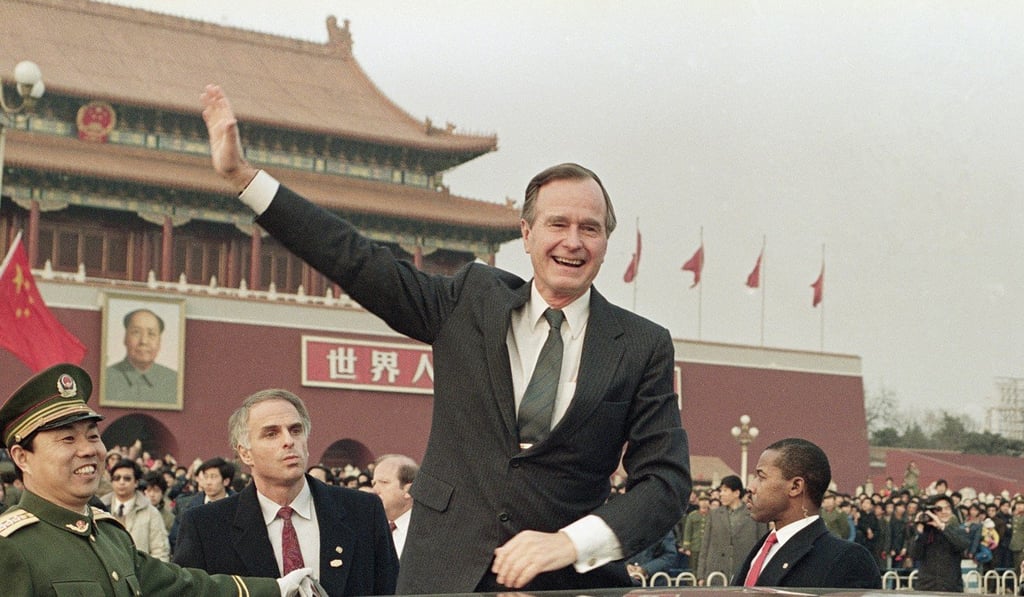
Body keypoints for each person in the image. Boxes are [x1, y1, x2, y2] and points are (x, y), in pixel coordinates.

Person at [200, 84, 692, 593]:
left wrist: (571, 542)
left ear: (606, 242)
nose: (572, 241)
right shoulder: (469, 301)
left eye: (589, 229)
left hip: (565, 580)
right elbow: (356, 258)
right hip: (442, 576)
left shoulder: (639, 346)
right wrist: (244, 179)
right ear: (525, 234)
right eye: (557, 224)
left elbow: (665, 484)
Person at [0, 363, 314, 596]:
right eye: (67, 439)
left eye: (93, 436)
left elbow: (184, 586)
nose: (88, 451)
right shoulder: (11, 548)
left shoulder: (109, 535)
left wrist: (275, 588)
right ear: (21, 456)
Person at [174, 389, 398, 595]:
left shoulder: (363, 512)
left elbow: (392, 590)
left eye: (295, 430)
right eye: (271, 434)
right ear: (245, 454)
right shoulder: (205, 527)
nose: (289, 441)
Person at [734, 438, 881, 588]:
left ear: (795, 486)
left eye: (761, 477)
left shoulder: (847, 560)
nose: (750, 487)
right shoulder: (763, 547)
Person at [697, 475, 765, 584]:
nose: (721, 494)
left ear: (736, 493)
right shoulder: (714, 515)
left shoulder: (753, 515)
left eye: (725, 490)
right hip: (715, 574)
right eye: (720, 491)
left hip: (743, 573)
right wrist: (701, 575)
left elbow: (762, 546)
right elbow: (705, 546)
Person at [104, 308, 178, 405]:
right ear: (125, 338)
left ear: (159, 342)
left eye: (151, 334)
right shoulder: (106, 378)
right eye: (136, 332)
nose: (143, 341)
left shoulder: (174, 381)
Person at [100, 459, 171, 561]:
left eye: (127, 478)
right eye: (117, 478)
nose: (121, 482)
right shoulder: (99, 509)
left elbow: (160, 551)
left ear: (136, 482)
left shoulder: (151, 512)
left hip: (140, 574)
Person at [169, 456, 235, 550]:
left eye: (213, 477)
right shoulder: (186, 506)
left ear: (226, 481)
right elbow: (175, 539)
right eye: (205, 476)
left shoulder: (240, 506)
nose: (208, 482)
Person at [908, 494, 970, 592]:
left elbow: (962, 545)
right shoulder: (926, 532)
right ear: (932, 512)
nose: (944, 512)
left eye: (947, 508)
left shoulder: (958, 530)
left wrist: (942, 527)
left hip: (950, 588)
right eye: (939, 509)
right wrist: (919, 531)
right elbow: (915, 554)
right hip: (926, 587)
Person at [371, 454, 418, 558]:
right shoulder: (369, 528)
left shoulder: (427, 530)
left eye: (384, 482)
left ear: (409, 490)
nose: (374, 490)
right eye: (373, 483)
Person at [680, 494, 709, 573]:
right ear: (698, 502)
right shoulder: (692, 515)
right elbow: (688, 531)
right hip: (695, 546)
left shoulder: (712, 515)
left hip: (708, 547)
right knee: (693, 568)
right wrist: (686, 547)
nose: (704, 503)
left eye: (706, 500)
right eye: (702, 500)